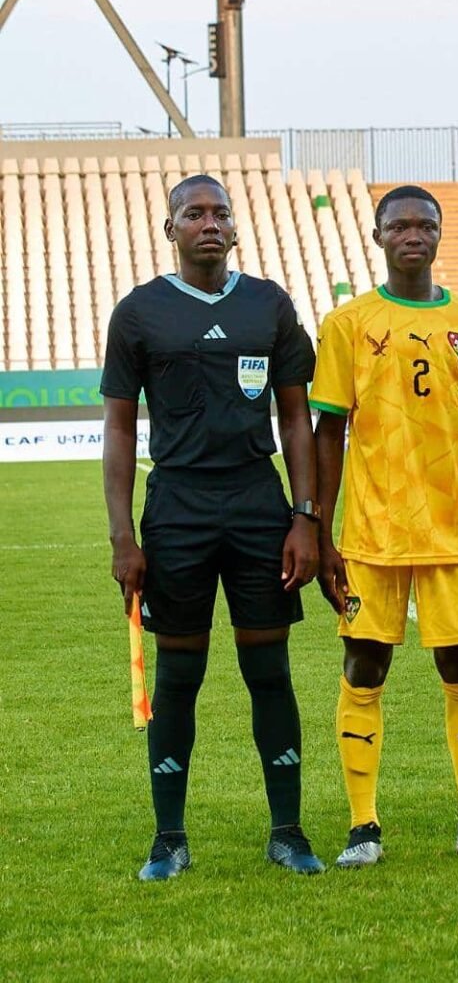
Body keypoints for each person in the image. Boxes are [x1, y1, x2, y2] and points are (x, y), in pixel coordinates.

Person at [101, 174, 323, 881]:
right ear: (170, 229)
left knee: (269, 669)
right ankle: (169, 838)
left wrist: (305, 517)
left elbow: (296, 417)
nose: (208, 223)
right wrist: (123, 537)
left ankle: (287, 832)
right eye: (193, 213)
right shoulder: (139, 313)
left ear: (234, 227)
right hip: (178, 507)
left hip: (258, 504)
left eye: (219, 212)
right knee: (179, 674)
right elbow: (118, 428)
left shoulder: (269, 305)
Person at [311, 185, 458, 868]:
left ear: (437, 235)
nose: (412, 235)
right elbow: (327, 432)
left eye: (424, 225)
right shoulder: (347, 325)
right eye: (398, 226)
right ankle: (362, 827)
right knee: (364, 668)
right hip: (372, 535)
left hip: (456, 531)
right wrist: (321, 531)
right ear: (378, 237)